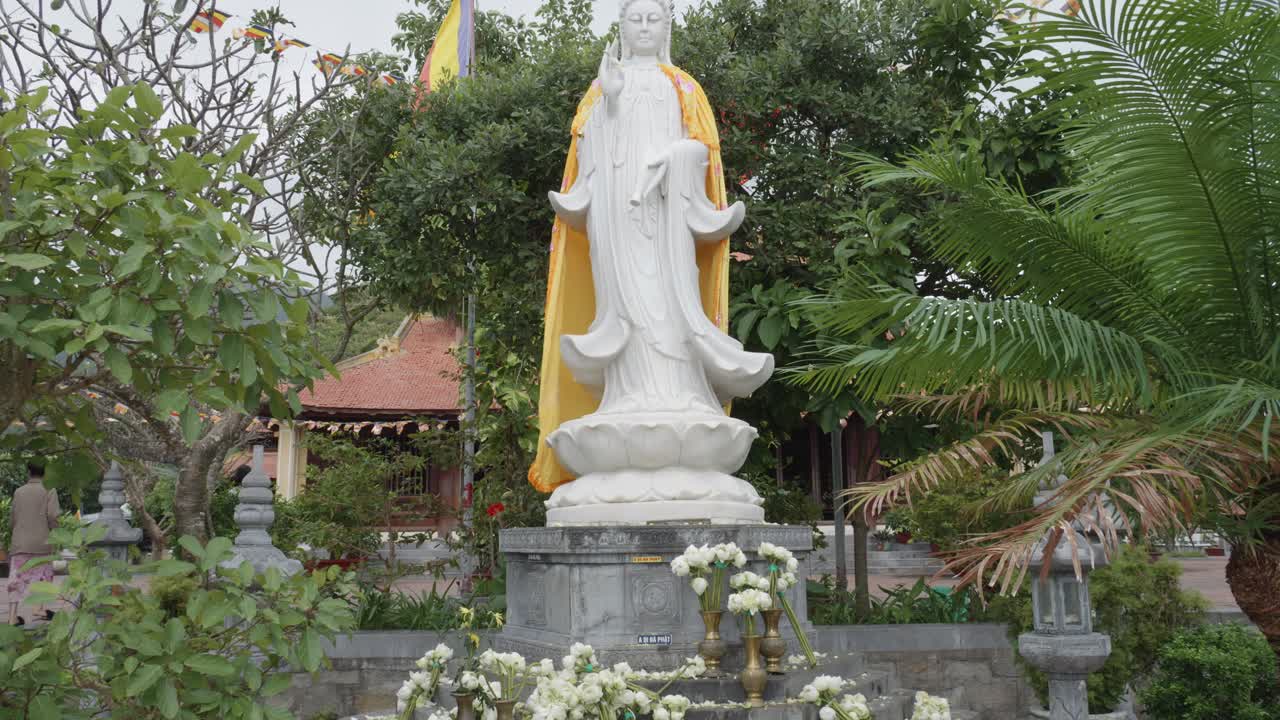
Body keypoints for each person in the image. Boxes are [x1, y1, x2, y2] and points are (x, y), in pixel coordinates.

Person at [7, 461, 60, 626]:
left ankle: (12, 617)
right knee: (43, 576)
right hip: (42, 543)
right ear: (44, 473)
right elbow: (53, 516)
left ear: (29, 471)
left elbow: (13, 519)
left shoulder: (19, 492)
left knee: (16, 579)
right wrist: (55, 532)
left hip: (20, 543)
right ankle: (38, 608)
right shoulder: (50, 490)